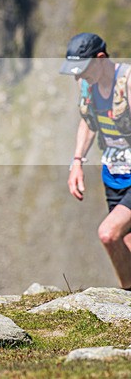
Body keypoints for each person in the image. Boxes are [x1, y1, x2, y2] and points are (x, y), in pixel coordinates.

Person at [61, 32, 131, 289]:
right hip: (114, 177)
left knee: (109, 233)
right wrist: (77, 162)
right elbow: (89, 123)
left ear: (101, 59)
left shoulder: (127, 82)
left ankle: (126, 297)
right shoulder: (88, 87)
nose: (78, 77)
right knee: (125, 242)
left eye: (83, 69)